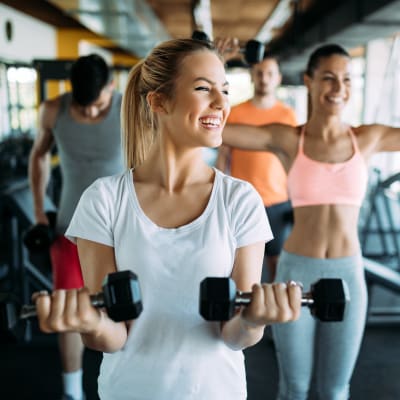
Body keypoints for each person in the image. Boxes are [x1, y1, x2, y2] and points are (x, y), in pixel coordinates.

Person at [33, 38, 303, 400]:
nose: (222, 103)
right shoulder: (104, 200)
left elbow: (234, 335)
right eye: (203, 89)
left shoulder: (240, 201)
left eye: (224, 89)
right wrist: (89, 321)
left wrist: (255, 319)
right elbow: (113, 337)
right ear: (158, 101)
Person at [221, 42, 400, 399]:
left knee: (335, 389)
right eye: (329, 78)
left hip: (349, 271)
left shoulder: (367, 138)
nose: (338, 88)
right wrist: (215, 63)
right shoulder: (288, 138)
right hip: (296, 272)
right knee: (294, 387)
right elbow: (215, 127)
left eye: (347, 79)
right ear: (309, 81)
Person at [28, 53, 124, 400]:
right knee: (69, 309)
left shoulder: (130, 108)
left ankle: (127, 382)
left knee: (127, 305)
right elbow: (38, 156)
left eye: (98, 105)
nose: (90, 113)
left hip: (123, 228)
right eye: (83, 107)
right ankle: (72, 391)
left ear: (111, 87)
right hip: (71, 229)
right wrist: (41, 211)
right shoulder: (54, 109)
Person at [215, 50, 297, 281]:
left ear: (278, 78)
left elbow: (294, 160)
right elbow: (223, 156)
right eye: (259, 73)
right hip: (242, 200)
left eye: (270, 73)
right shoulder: (237, 112)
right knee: (237, 262)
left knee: (275, 262)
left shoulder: (287, 115)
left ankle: (271, 314)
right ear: (252, 76)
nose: (264, 78)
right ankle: (236, 313)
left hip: (277, 202)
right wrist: (219, 195)